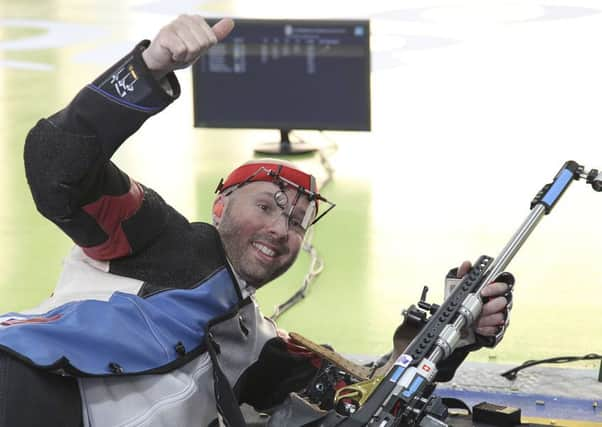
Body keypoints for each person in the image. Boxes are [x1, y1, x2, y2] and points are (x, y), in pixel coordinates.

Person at [0, 15, 513, 427]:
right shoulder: (153, 237)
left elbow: (366, 396)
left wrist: (450, 331)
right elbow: (57, 170)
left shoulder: (265, 346)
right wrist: (148, 69)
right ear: (219, 205)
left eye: (296, 222)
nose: (279, 229)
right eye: (266, 205)